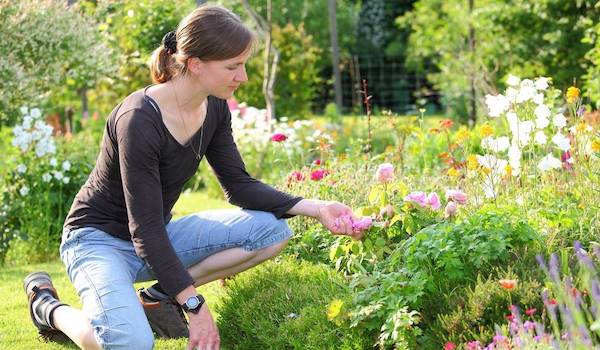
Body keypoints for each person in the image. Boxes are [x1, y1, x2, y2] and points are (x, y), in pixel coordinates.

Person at [23, 5, 366, 350]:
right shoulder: (139, 120)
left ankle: (159, 297)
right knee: (130, 344)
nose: (242, 77)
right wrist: (194, 304)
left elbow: (239, 186)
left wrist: (317, 207)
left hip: (156, 236)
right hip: (98, 241)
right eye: (233, 66)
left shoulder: (214, 107)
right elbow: (143, 227)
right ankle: (49, 309)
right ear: (196, 63)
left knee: (272, 230)